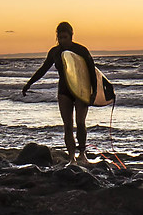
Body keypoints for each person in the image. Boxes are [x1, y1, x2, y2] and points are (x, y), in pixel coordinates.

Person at [20, 21, 100, 159]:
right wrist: (29, 83)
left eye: (65, 37)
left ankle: (82, 153)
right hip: (64, 91)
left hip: (82, 90)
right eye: (60, 37)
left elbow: (92, 73)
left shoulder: (81, 50)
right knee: (67, 126)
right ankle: (71, 157)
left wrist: (94, 92)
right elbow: (43, 69)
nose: (63, 40)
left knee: (80, 123)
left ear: (71, 36)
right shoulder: (55, 52)